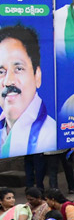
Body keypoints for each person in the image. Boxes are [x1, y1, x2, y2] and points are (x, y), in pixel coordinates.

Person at [0, 25, 57, 155]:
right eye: (1, 71)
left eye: (18, 69)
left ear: (37, 76)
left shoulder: (50, 136)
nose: (8, 81)